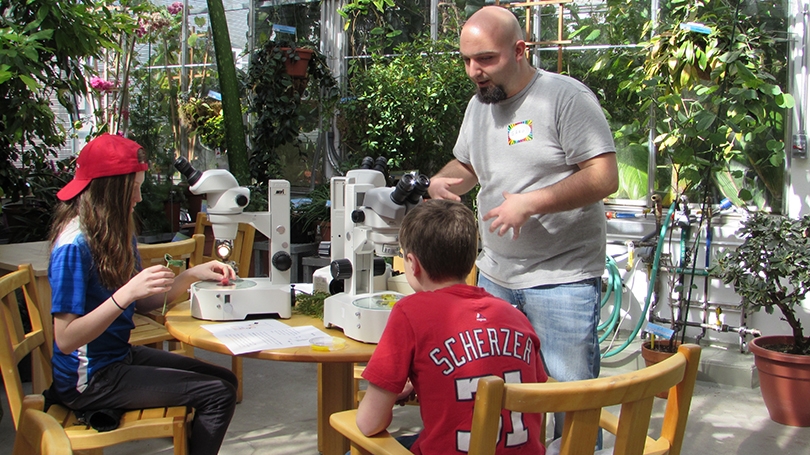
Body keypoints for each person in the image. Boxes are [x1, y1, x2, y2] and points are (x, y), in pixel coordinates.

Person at [427, 5, 619, 438]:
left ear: (519, 50)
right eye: (466, 60)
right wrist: (444, 182)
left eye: (486, 59)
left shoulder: (565, 98)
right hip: (495, 276)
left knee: (571, 401)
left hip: (562, 279)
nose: (475, 71)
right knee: (502, 394)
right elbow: (468, 165)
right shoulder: (480, 106)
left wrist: (531, 203)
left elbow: (605, 177)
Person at [47, 133, 238, 455]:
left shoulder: (113, 231)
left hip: (117, 357)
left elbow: (146, 303)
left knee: (225, 382)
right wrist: (125, 294)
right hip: (88, 379)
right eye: (134, 187)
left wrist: (192, 275)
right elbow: (65, 339)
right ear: (112, 190)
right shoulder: (73, 246)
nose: (138, 197)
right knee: (216, 393)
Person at [356, 199, 548, 454]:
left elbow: (370, 423)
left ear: (412, 264)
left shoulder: (409, 312)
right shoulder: (515, 317)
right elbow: (534, 400)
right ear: (470, 261)